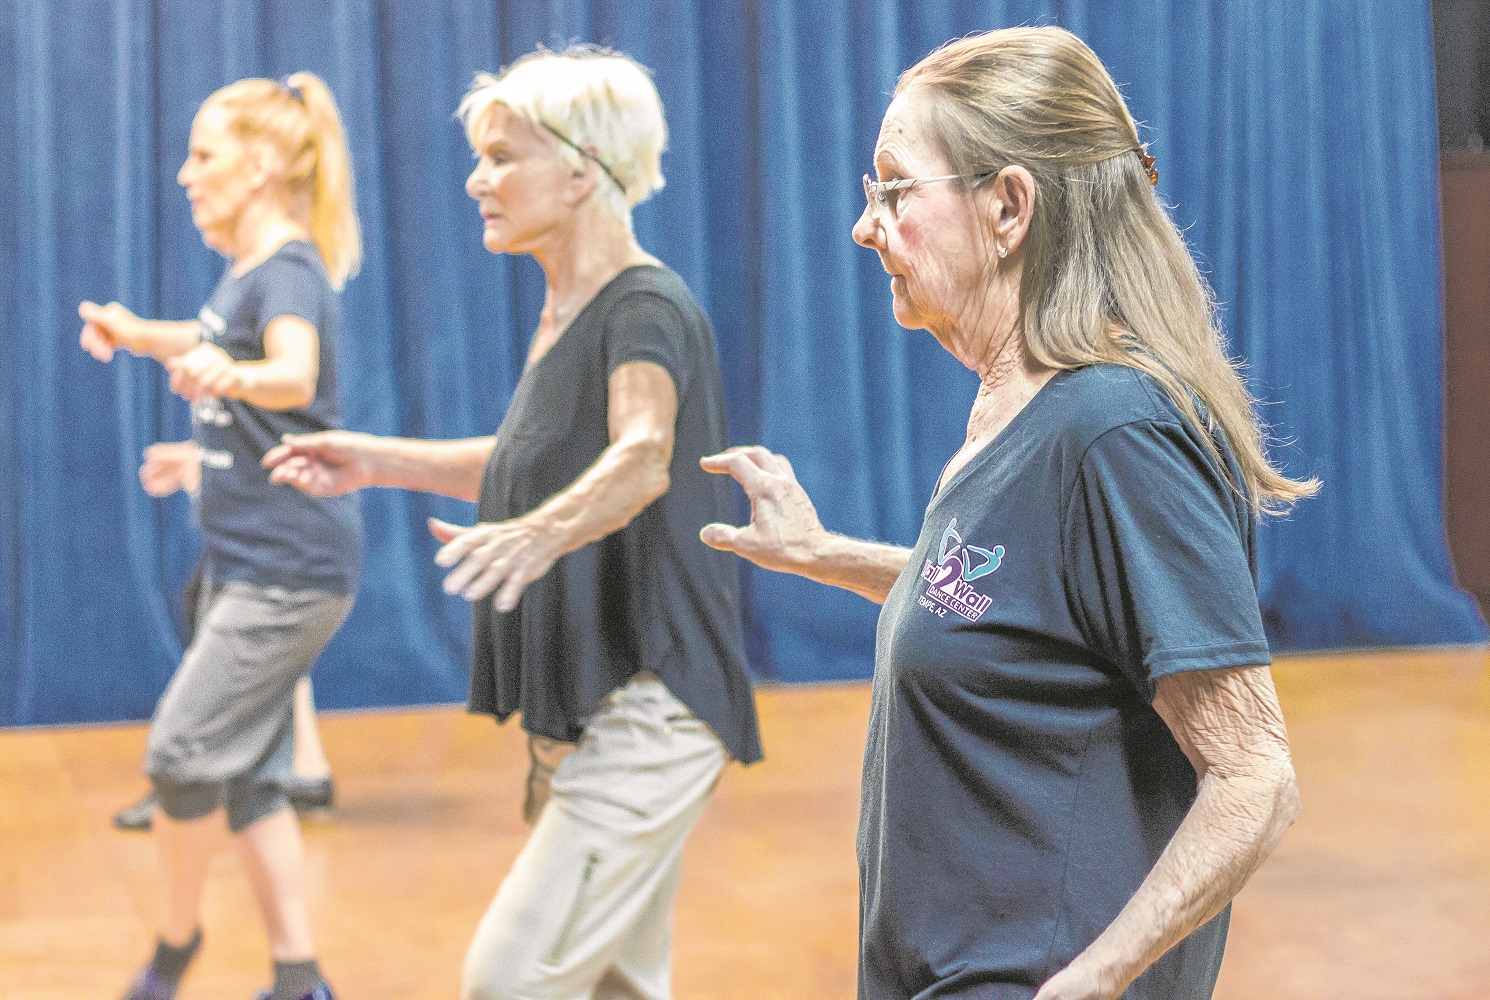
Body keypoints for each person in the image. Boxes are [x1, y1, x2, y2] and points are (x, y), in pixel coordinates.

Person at [700, 26, 1313, 1000]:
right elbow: (1016, 608)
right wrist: (823, 554)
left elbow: (1254, 774)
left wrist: (1095, 975)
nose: (866, 228)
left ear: (1007, 206)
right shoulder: (1022, 407)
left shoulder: (1112, 429)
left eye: (894, 189)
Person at [263, 46, 760, 1000]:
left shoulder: (643, 306)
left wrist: (540, 533)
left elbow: (642, 454)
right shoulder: (569, 306)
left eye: (501, 157)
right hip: (596, 703)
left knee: (509, 980)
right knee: (616, 981)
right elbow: (531, 461)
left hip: (654, 706)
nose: (476, 178)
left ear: (581, 170)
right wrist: (374, 459)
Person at [79, 71, 363, 1000]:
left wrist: (223, 377)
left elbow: (290, 372)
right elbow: (221, 350)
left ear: (267, 165)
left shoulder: (286, 267)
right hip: (247, 558)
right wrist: (140, 338)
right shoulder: (247, 271)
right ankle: (298, 977)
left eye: (204, 156)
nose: (184, 176)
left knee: (182, 754)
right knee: (248, 780)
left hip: (288, 572)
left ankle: (172, 953)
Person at [111, 444, 337, 833]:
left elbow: (286, 406)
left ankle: (200, 776)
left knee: (231, 616)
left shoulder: (283, 387)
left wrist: (222, 457)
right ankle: (301, 769)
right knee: (241, 623)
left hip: (284, 511)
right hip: (263, 492)